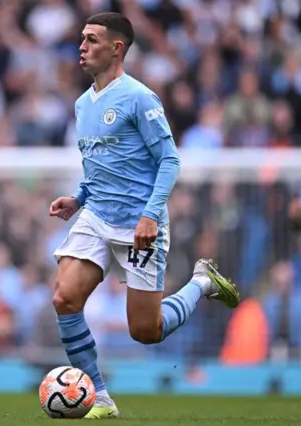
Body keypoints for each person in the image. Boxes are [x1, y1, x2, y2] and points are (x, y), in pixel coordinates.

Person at [48, 13, 240, 419]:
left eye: (91, 40)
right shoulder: (83, 104)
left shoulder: (139, 97)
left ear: (116, 48)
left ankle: (203, 282)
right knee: (64, 297)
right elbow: (101, 164)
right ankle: (98, 396)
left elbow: (169, 160)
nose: (81, 47)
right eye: (81, 39)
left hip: (140, 225)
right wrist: (79, 198)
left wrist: (151, 215)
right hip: (97, 216)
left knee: (145, 331)